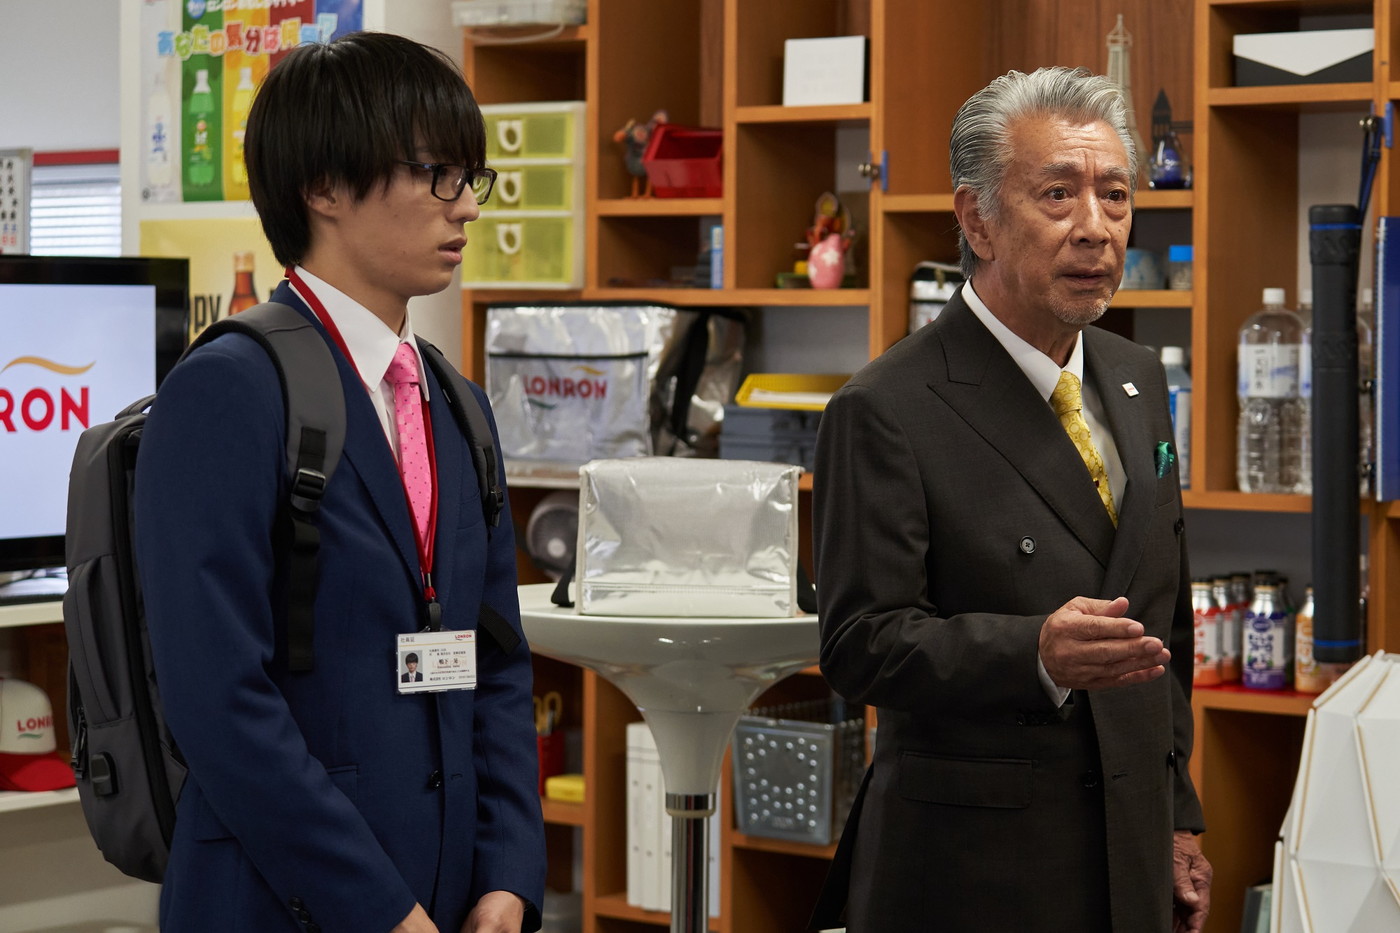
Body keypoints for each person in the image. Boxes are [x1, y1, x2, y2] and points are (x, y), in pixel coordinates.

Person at [134, 32, 545, 933]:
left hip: (452, 897)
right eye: (437, 174)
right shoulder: (228, 389)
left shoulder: (457, 404)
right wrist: (380, 910)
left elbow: (497, 660)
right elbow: (218, 700)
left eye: (471, 177)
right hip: (280, 903)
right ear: (323, 187)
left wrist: (509, 873)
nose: (467, 207)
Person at [808, 66, 1211, 933]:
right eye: (1058, 195)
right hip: (975, 872)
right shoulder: (886, 406)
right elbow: (859, 643)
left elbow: (1163, 623)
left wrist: (1178, 816)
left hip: (1131, 854)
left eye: (1114, 195)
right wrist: (1036, 652)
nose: (1095, 227)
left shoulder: (1138, 376)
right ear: (977, 219)